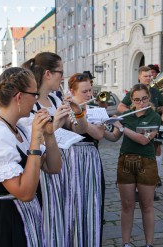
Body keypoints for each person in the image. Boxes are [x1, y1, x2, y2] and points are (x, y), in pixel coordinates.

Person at [23, 52, 108, 247]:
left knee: (64, 218)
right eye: (60, 72)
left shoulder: (54, 99)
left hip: (61, 167)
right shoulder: (31, 103)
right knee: (49, 219)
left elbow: (78, 128)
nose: (63, 76)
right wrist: (57, 123)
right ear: (47, 74)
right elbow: (36, 139)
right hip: (44, 169)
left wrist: (78, 112)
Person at [0, 67, 62, 247]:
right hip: (5, 221)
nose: (37, 99)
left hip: (28, 216)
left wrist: (49, 135)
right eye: (34, 94)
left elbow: (54, 167)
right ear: (19, 97)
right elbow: (25, 192)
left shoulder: (20, 127)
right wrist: (36, 141)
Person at [104, 84, 161, 247]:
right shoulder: (127, 115)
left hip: (146, 162)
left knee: (146, 205)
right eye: (137, 99)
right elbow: (115, 137)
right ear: (132, 100)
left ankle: (149, 243)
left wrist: (122, 127)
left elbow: (144, 140)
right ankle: (126, 243)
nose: (141, 102)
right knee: (127, 205)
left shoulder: (154, 117)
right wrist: (102, 129)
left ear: (148, 98)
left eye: (144, 99)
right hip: (125, 162)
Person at [68, 72, 106, 243]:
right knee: (73, 203)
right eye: (84, 92)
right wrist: (81, 117)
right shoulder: (65, 108)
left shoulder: (93, 109)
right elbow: (81, 129)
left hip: (91, 158)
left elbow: (99, 134)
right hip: (71, 159)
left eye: (90, 90)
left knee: (93, 201)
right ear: (72, 91)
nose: (89, 95)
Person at [118, 66, 163, 193]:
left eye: (150, 76)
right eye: (146, 76)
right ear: (139, 77)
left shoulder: (155, 91)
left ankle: (156, 176)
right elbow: (121, 106)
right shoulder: (133, 91)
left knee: (155, 149)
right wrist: (131, 115)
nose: (149, 78)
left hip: (151, 123)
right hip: (135, 128)